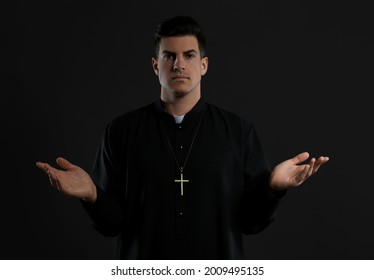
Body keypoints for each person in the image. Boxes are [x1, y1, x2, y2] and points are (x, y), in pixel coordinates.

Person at [36, 15, 329, 260]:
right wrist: (92, 195)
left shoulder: (239, 132)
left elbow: (249, 224)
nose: (179, 65)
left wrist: (273, 187)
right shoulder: (121, 131)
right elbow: (114, 224)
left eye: (189, 55)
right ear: (155, 65)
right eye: (169, 56)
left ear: (203, 65)